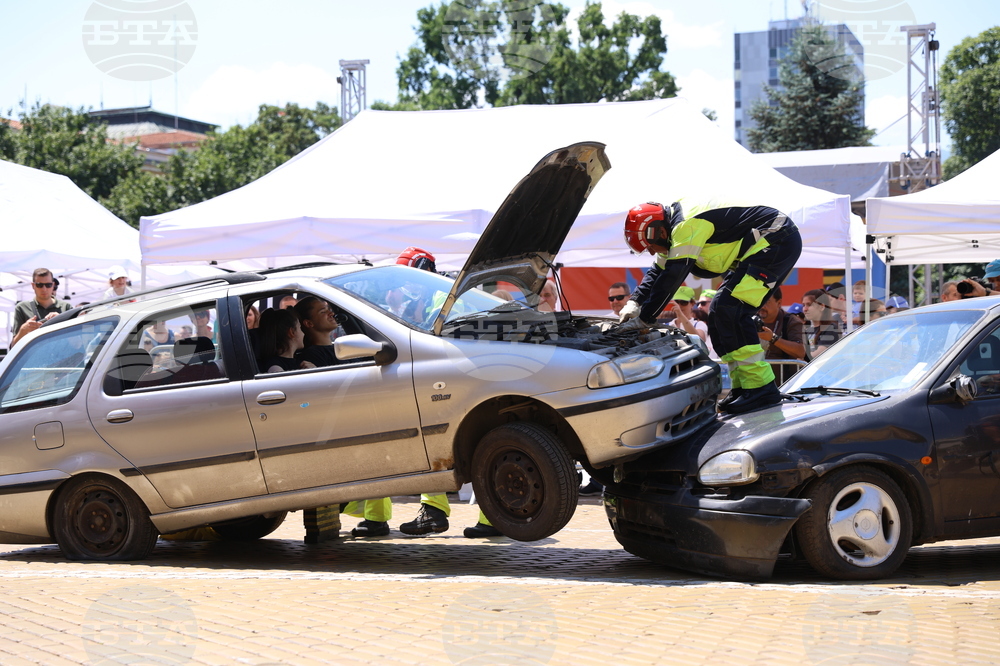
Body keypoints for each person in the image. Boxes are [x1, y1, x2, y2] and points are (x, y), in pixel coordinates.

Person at [620, 200, 802, 414]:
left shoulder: (686, 227)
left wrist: (646, 318)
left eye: (650, 246)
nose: (651, 252)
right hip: (759, 248)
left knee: (732, 310)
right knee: (718, 312)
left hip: (776, 240)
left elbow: (672, 276)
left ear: (657, 231)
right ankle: (743, 387)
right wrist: (634, 302)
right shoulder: (670, 235)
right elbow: (656, 273)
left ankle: (762, 388)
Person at [10, 268, 72, 348]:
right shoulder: (22, 308)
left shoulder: (66, 307)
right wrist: (23, 330)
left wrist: (61, 320)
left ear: (53, 285)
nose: (44, 289)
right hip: (34, 359)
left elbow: (77, 343)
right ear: (33, 285)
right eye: (39, 285)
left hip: (63, 357)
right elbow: (13, 347)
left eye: (48, 285)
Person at [256, 307, 315, 373]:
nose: (303, 333)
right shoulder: (274, 367)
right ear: (292, 332)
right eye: (300, 328)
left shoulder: (299, 362)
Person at [757, 287, 805, 361]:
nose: (762, 306)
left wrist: (773, 338)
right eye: (759, 301)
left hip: (783, 372)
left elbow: (800, 352)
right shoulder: (750, 319)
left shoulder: (791, 321)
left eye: (766, 302)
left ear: (779, 303)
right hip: (756, 371)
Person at [802, 289, 841, 357]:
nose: (805, 309)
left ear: (822, 307)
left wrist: (802, 357)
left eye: (809, 304)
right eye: (803, 305)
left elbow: (818, 354)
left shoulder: (831, 328)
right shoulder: (808, 330)